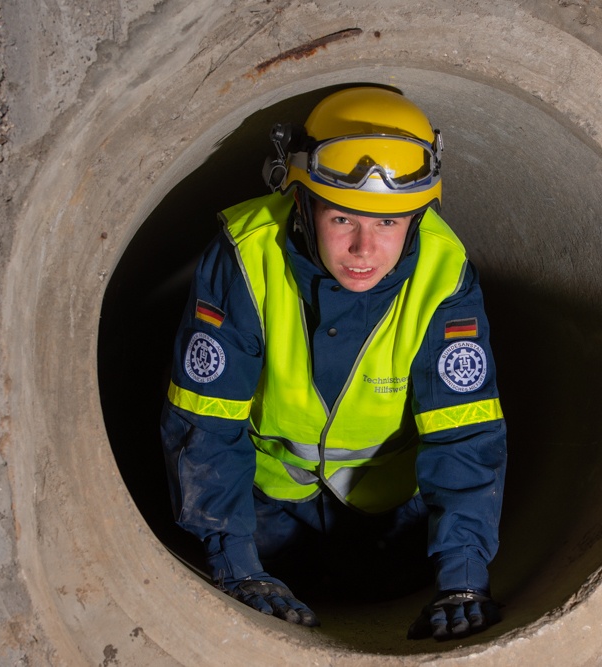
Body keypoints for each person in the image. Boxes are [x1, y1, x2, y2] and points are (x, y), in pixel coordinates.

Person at [160, 86, 507, 640]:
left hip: (390, 515)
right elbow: (205, 424)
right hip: (267, 504)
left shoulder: (444, 272)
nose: (364, 249)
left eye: (390, 223)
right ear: (302, 201)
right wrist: (238, 566)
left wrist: (461, 578)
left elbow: (464, 433)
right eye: (343, 218)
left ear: (418, 215)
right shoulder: (247, 254)